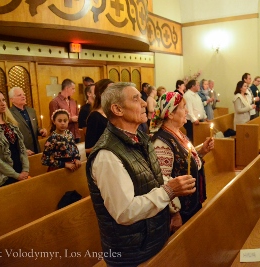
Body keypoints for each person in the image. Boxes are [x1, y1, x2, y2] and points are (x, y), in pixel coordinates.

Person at [86, 82, 196, 266]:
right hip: (131, 253)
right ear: (117, 109)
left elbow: (150, 177)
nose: (144, 103)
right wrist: (168, 191)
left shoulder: (141, 138)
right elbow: (124, 211)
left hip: (153, 239)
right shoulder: (107, 155)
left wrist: (172, 185)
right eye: (136, 99)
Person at [150, 92, 214, 232]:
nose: (187, 111)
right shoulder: (161, 142)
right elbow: (163, 181)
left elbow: (186, 162)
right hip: (181, 209)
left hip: (191, 202)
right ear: (171, 114)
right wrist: (175, 212)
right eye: (183, 107)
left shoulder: (178, 133)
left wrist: (202, 151)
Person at [9, 87, 47, 155]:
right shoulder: (9, 114)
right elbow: (11, 136)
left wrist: (41, 131)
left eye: (23, 94)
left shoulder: (31, 111)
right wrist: (22, 149)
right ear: (12, 99)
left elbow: (35, 127)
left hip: (36, 148)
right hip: (21, 151)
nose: (23, 96)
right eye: (19, 95)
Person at [84, 79, 113, 155]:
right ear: (100, 94)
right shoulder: (95, 116)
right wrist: (109, 146)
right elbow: (88, 149)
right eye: (110, 91)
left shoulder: (112, 113)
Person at [49, 78, 80, 143]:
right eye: (73, 88)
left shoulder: (73, 101)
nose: (74, 91)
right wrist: (71, 119)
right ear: (66, 88)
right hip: (63, 136)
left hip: (76, 134)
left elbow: (77, 114)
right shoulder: (55, 102)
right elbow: (53, 120)